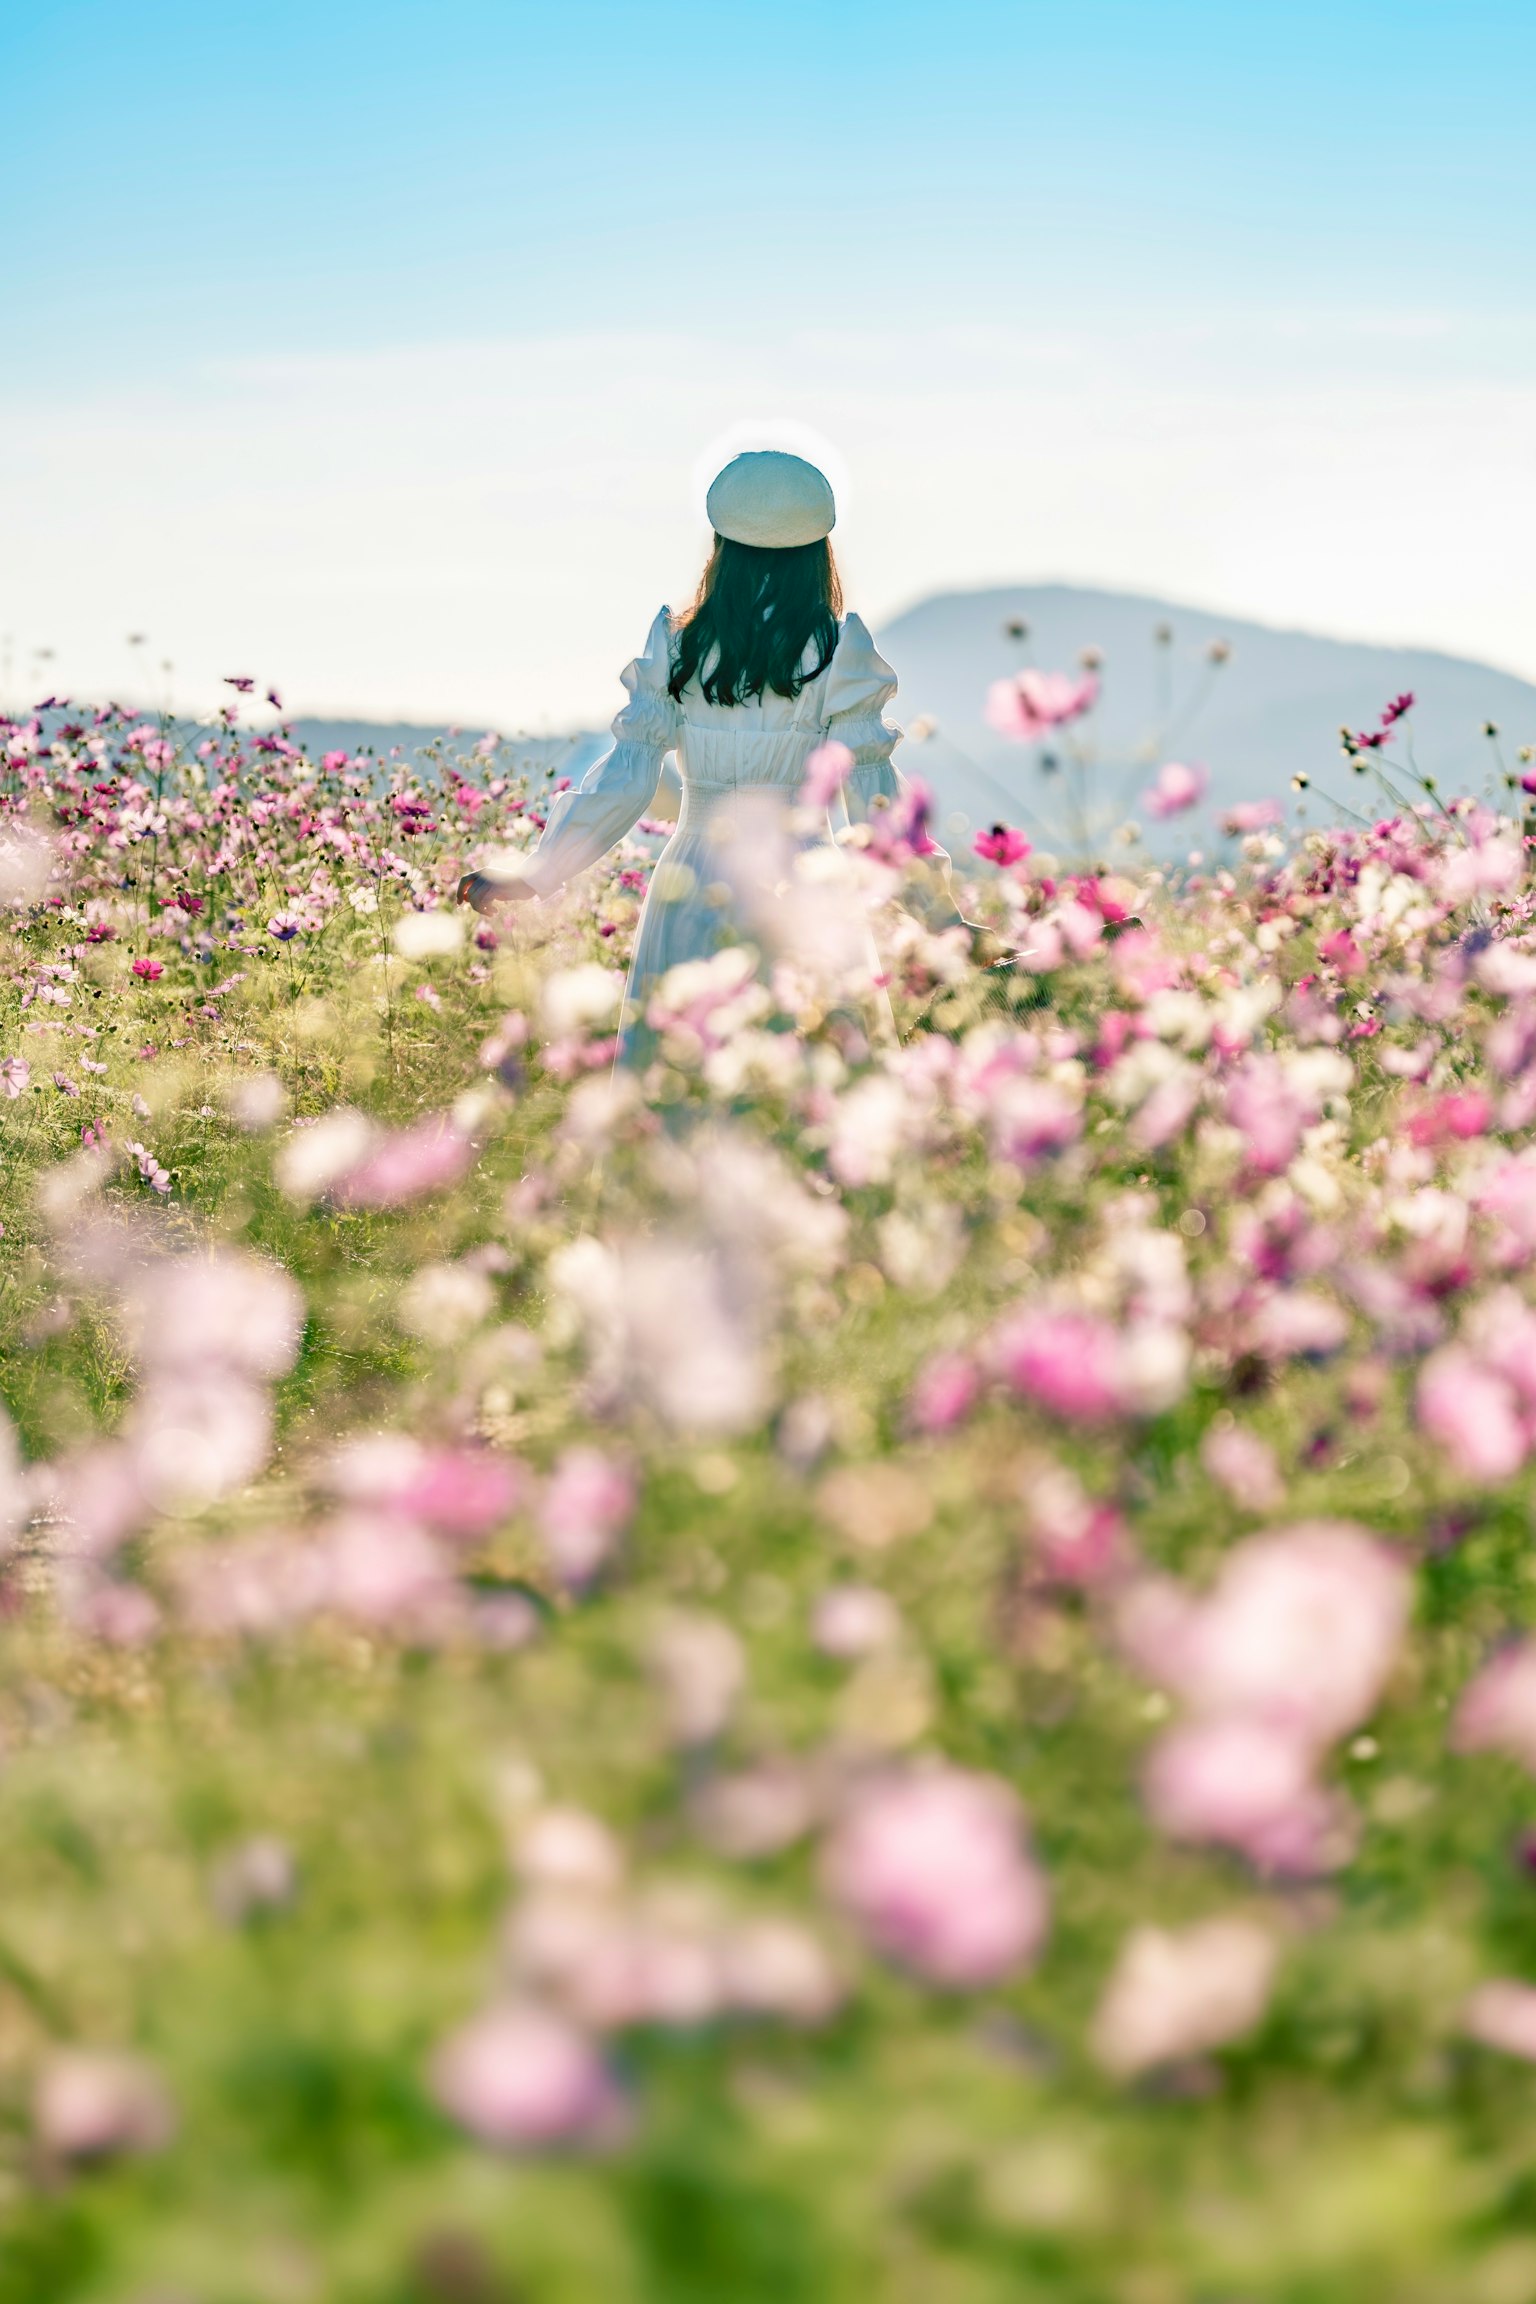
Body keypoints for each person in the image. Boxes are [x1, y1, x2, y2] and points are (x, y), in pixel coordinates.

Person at [459, 449, 953, 1038]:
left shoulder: (680, 648)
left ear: (720, 551)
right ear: (819, 555)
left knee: (685, 1076)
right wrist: (941, 917)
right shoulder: (840, 652)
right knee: (810, 1082)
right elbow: (876, 806)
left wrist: (540, 872)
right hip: (805, 888)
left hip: (694, 883)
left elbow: (626, 777)